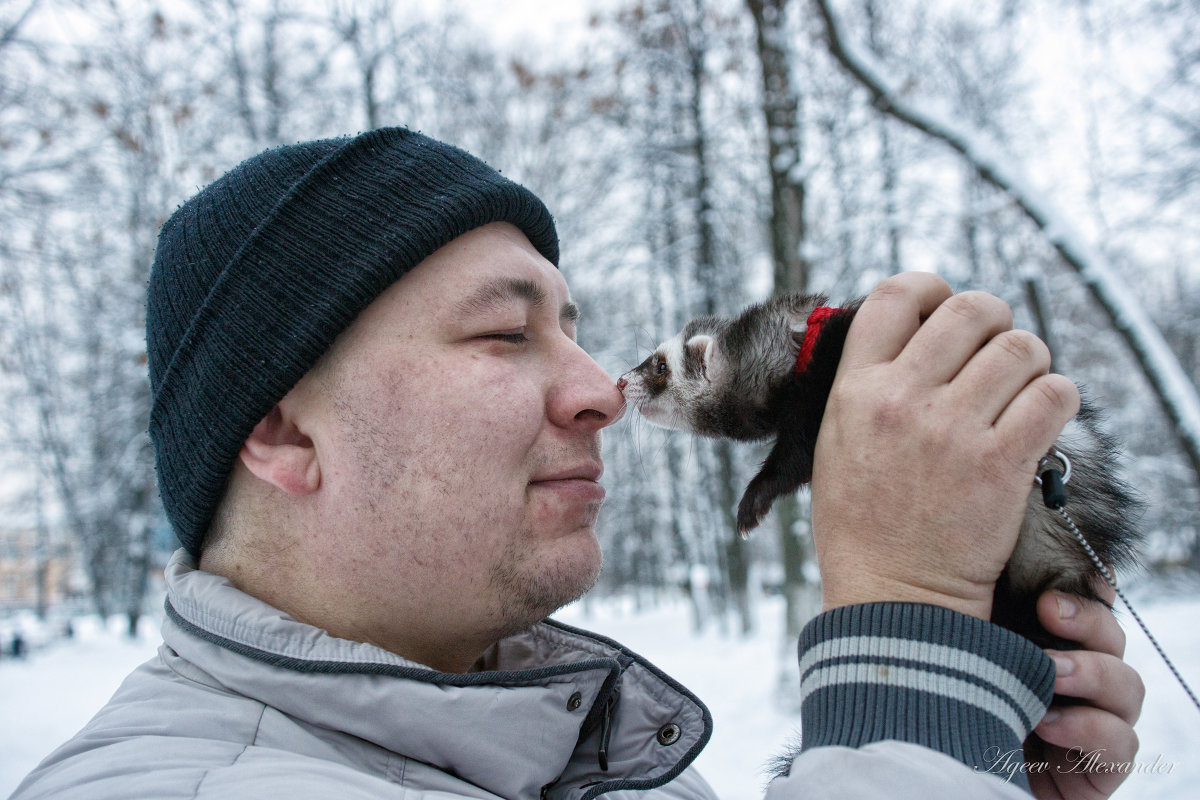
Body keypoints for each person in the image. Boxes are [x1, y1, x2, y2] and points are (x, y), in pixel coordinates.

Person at [12, 128, 1142, 800]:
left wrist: (957, 752)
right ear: (287, 432)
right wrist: (908, 649)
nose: (602, 385)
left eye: (573, 326)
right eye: (507, 332)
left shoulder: (568, 746)